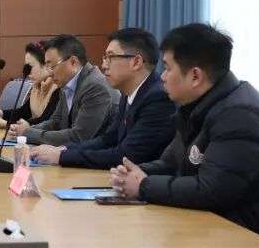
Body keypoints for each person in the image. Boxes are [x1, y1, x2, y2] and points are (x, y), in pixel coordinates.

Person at [111, 24, 259, 248]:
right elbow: (172, 163)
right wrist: (134, 173)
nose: (162, 76)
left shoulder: (242, 115)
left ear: (195, 76)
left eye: (168, 68)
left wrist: (143, 186)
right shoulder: (196, 108)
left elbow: (212, 191)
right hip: (239, 234)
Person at [32, 28, 175, 168]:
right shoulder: (128, 95)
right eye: (105, 57)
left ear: (136, 62)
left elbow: (125, 156)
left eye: (110, 57)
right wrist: (62, 150)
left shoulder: (158, 98)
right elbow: (107, 140)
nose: (104, 65)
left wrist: (61, 156)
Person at [9, 34, 119, 146]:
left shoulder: (95, 87)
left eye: (52, 66)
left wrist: (28, 133)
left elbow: (78, 137)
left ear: (73, 62)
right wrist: (25, 130)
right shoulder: (66, 82)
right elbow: (56, 122)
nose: (49, 73)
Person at [0, 41, 60, 127]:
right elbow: (24, 112)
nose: (27, 72)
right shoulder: (37, 85)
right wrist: (1, 113)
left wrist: (6, 124)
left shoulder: (58, 89)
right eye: (26, 67)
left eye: (30, 67)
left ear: (46, 65)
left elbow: (44, 121)